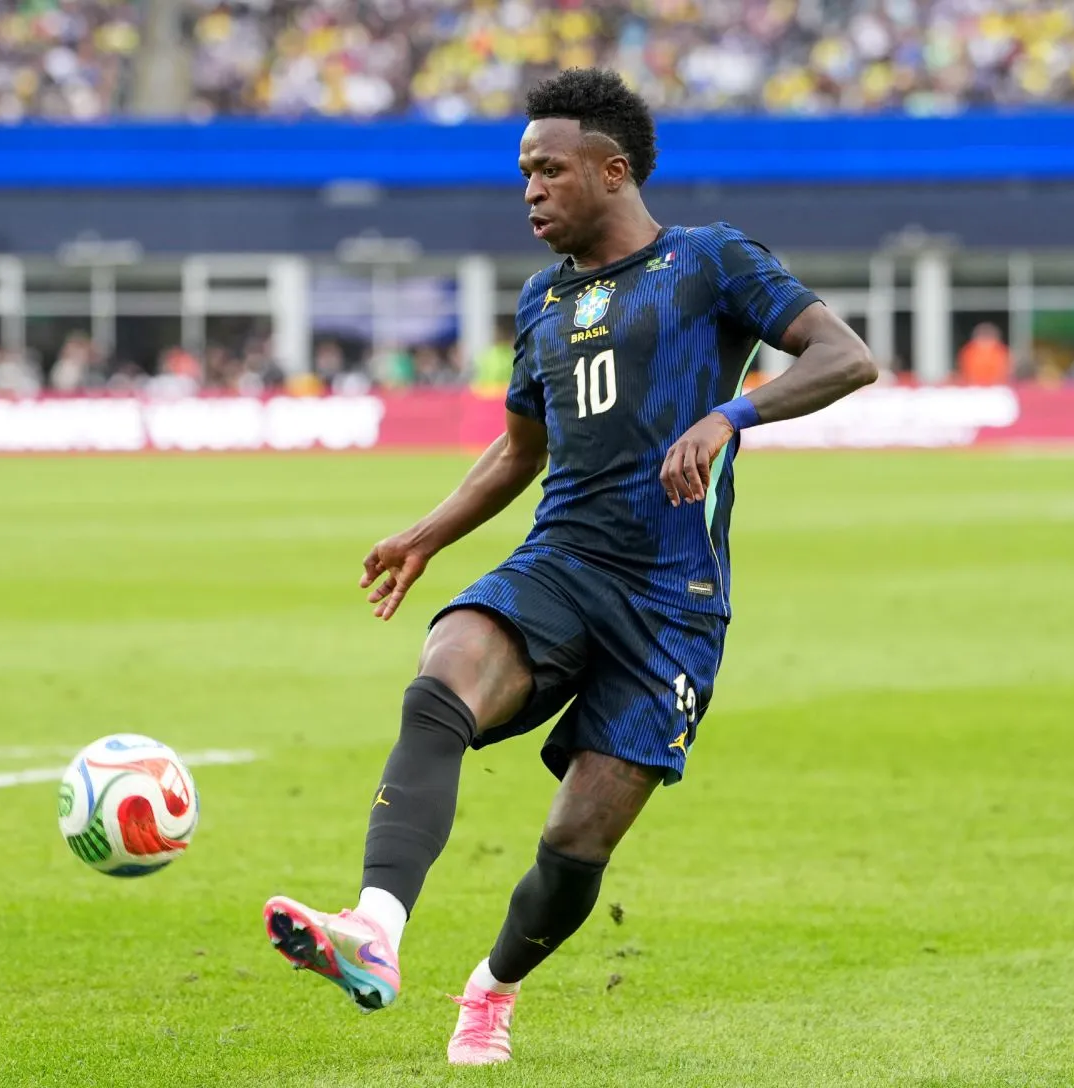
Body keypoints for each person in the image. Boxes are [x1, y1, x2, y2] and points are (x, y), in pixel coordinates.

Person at [261, 68, 876, 1066]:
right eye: (524, 173)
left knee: (577, 841)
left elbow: (846, 356)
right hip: (561, 559)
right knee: (443, 678)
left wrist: (729, 415)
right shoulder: (542, 297)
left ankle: (491, 989)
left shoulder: (709, 260)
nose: (530, 190)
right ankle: (374, 926)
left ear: (612, 171)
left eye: (548, 169)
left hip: (673, 602)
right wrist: (427, 535)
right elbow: (519, 450)